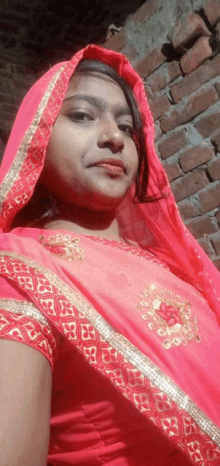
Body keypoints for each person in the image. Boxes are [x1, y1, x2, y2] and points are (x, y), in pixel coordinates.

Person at [0, 44, 219, 466]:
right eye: (81, 115)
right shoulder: (19, 267)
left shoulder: (169, 267)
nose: (114, 137)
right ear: (37, 135)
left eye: (127, 125)